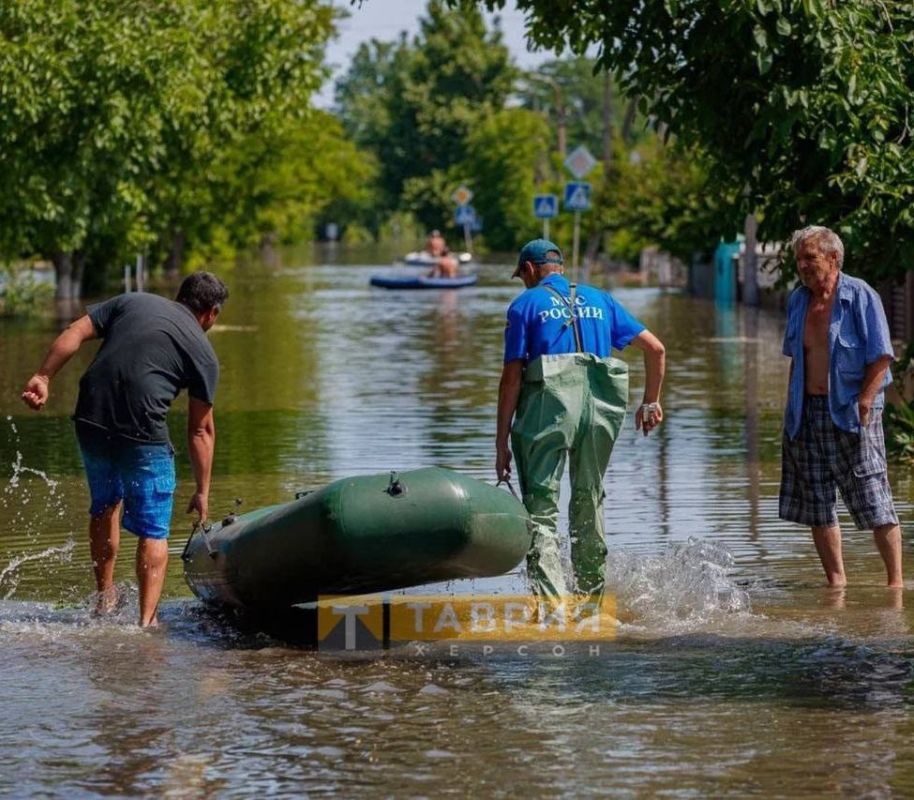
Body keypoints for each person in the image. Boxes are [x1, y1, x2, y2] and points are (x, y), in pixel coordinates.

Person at [21, 272, 229, 626]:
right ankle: (146, 624)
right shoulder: (204, 353)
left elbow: (75, 331)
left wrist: (43, 376)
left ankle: (104, 600)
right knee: (153, 528)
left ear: (180, 296)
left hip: (90, 415)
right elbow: (199, 430)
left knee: (105, 505)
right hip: (143, 430)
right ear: (211, 313)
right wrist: (202, 492)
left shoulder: (132, 301)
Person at [495, 239, 666, 610]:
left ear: (528, 270)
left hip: (549, 411)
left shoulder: (525, 304)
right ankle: (591, 606)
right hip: (602, 410)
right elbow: (656, 349)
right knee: (589, 497)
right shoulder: (600, 299)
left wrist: (500, 443)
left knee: (540, 510)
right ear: (560, 266)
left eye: (521, 276)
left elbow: (511, 379)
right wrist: (650, 401)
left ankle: (553, 611)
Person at [779, 225, 903, 588]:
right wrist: (791, 412)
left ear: (833, 258)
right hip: (807, 411)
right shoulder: (798, 300)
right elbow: (796, 360)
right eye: (799, 258)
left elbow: (882, 356)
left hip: (852, 410)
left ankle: (895, 584)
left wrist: (865, 400)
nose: (802, 265)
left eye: (810, 258)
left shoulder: (860, 295)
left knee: (873, 496)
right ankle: (837, 584)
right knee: (818, 503)